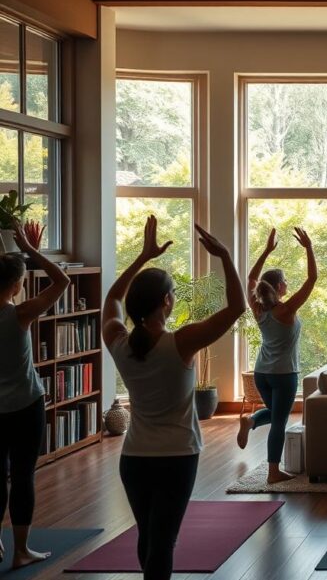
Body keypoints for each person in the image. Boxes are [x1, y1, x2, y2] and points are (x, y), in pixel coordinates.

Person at [101, 216, 245, 580]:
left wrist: (141, 257)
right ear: (167, 301)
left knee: (149, 536)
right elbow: (237, 308)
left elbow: (112, 297)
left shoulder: (119, 341)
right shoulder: (181, 343)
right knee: (163, 542)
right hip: (177, 457)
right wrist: (225, 257)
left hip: (134, 458)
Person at [0, 224, 69, 569]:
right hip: (25, 405)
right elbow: (63, 282)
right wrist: (30, 249)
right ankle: (21, 551)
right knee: (23, 476)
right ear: (16, 285)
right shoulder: (20, 314)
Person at [236, 227, 317, 485]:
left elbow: (250, 278)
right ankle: (273, 471)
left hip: (262, 373)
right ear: (279, 286)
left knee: (274, 412)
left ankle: (250, 420)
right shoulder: (287, 309)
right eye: (285, 281)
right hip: (284, 374)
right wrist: (309, 247)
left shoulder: (258, 308)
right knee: (280, 420)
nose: (288, 284)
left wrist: (267, 250)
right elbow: (312, 279)